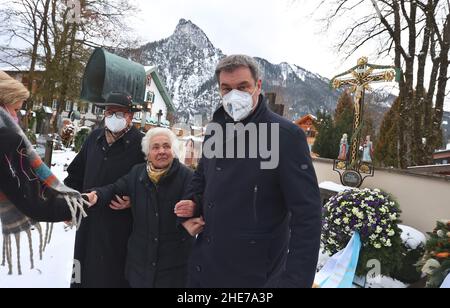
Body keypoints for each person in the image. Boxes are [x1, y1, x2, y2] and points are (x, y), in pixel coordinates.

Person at [176, 55, 322, 288]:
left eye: (242, 87)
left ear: (258, 86)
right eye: (226, 88)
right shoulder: (215, 130)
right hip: (205, 266)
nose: (234, 95)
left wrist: (294, 281)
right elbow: (202, 177)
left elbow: (308, 216)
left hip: (253, 275)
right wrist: (192, 203)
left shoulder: (285, 137)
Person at [0, 70, 88, 275]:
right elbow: (31, 200)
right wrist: (76, 207)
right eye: (15, 109)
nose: (16, 117)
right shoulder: (6, 138)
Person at [85, 128, 197, 288]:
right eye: (155, 147)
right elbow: (114, 189)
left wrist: (195, 207)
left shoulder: (188, 177)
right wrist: (95, 195)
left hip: (175, 270)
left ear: (174, 150)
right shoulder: (137, 173)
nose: (162, 151)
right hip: (139, 268)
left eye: (166, 146)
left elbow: (204, 204)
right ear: (148, 153)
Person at [64, 92, 145, 288]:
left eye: (119, 113)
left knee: (113, 276)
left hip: (120, 225)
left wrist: (134, 200)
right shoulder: (94, 138)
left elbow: (150, 184)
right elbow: (75, 174)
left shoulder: (142, 144)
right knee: (81, 274)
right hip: (88, 223)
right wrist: (67, 203)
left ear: (130, 116)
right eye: (109, 112)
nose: (113, 117)